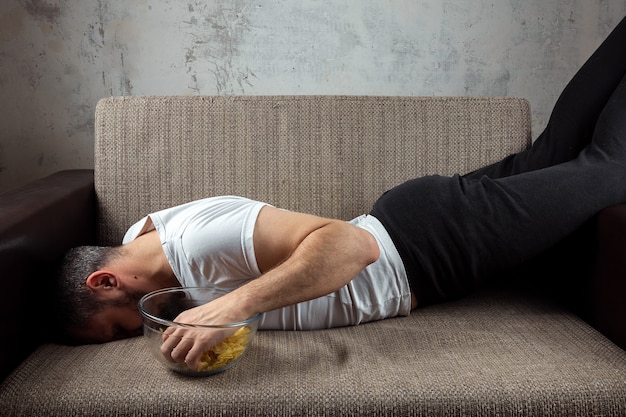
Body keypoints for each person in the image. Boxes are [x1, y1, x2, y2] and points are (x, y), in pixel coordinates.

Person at [55, 16, 626, 371]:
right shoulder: (142, 239)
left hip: (432, 246)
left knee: (611, 168)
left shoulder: (200, 244)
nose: (135, 334)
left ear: (105, 280)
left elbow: (353, 247)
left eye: (117, 327)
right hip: (420, 224)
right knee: (556, 152)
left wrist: (234, 306)